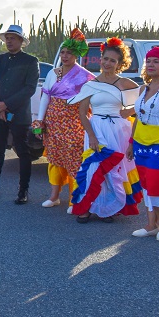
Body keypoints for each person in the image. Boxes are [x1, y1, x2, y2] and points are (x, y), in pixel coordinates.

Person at [68, 37, 141, 223]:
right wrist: (91, 136)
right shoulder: (90, 85)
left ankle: (109, 207)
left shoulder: (125, 83)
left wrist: (126, 113)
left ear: (119, 64)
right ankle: (87, 206)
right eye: (105, 59)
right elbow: (83, 113)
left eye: (113, 60)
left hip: (118, 130)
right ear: (100, 59)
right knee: (93, 167)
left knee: (114, 169)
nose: (108, 63)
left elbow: (143, 100)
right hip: (96, 128)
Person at [0, 24, 40, 204]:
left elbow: (29, 88)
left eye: (13, 38)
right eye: (7, 38)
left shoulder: (30, 61)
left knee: (22, 151)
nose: (9, 41)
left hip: (18, 114)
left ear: (21, 41)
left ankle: (23, 190)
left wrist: (7, 105)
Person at [34, 29, 95, 209]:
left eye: (69, 52)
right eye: (63, 52)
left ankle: (74, 199)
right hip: (53, 122)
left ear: (76, 54)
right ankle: (54, 196)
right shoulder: (53, 73)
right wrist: (39, 121)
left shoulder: (86, 76)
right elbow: (46, 97)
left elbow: (91, 101)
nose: (65, 56)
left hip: (74, 123)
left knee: (75, 160)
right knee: (54, 159)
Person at [126, 47, 159, 242]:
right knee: (147, 185)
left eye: (156, 61)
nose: (150, 65)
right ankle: (151, 225)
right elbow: (138, 118)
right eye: (148, 61)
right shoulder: (144, 88)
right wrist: (131, 143)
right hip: (141, 142)